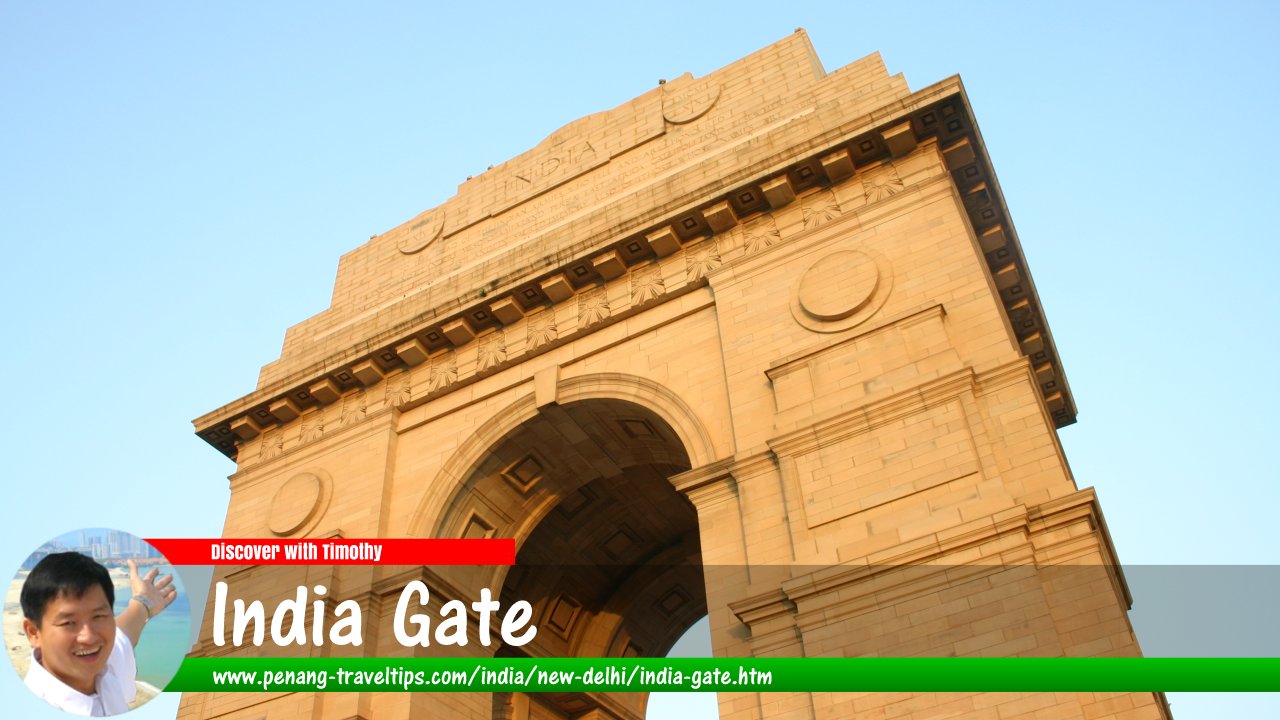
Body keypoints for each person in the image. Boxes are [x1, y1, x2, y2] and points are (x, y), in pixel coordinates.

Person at [20, 552, 178, 716]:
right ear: (33, 632)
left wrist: (144, 601)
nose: (88, 637)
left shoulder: (105, 666)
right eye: (68, 623)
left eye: (98, 616)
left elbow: (124, 633)